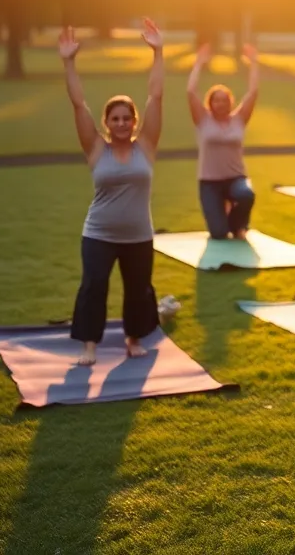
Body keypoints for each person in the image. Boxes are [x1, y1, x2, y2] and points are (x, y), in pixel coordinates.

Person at [59, 21, 165, 366]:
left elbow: (156, 96)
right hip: (99, 233)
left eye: (127, 118)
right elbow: (78, 105)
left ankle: (133, 338)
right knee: (93, 287)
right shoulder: (95, 148)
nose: (121, 124)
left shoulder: (146, 146)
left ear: (135, 122)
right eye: (115, 119)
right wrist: (68, 62)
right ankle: (89, 345)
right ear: (107, 123)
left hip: (138, 235)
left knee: (138, 290)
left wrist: (158, 52)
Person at [187, 41, 259, 239]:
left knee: (246, 195)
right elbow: (191, 92)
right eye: (216, 100)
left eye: (224, 100)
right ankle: (224, 216)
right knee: (218, 233)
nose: (220, 103)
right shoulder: (203, 120)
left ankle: (239, 225)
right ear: (210, 103)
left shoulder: (239, 119)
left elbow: (253, 93)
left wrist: (253, 63)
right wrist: (199, 63)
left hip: (236, 179)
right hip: (209, 183)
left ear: (230, 102)